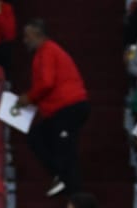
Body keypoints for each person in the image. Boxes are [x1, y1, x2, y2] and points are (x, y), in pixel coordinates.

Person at [19, 19, 89, 197]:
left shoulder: (48, 51)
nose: (24, 40)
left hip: (69, 107)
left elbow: (46, 83)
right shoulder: (44, 52)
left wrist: (29, 97)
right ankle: (60, 177)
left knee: (67, 154)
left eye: (27, 36)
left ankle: (76, 200)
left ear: (37, 35)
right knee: (37, 137)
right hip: (60, 110)